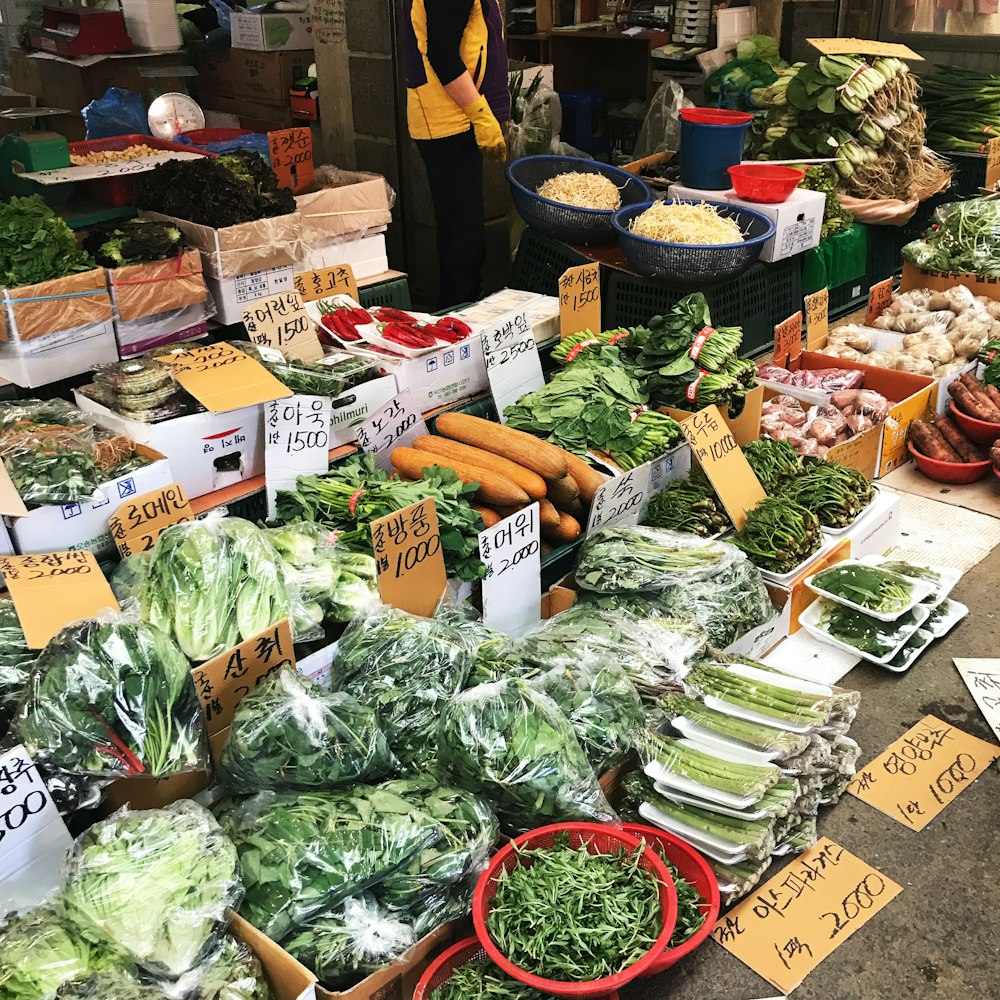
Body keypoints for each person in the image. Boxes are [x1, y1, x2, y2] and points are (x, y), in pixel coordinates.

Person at [403, 0, 509, 308]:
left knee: (461, 232)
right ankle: (457, 322)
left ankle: (458, 313)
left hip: (456, 119)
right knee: (462, 240)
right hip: (447, 124)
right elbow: (442, 54)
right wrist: (480, 114)